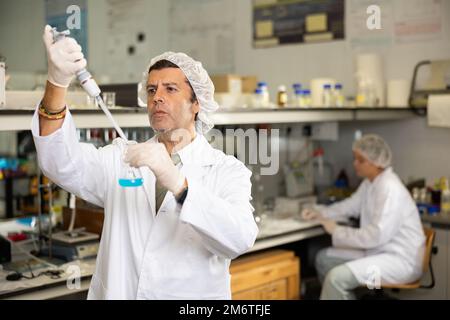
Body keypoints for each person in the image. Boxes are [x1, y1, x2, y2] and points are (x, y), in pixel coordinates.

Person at [32, 25, 258, 299]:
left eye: (170, 89)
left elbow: (239, 238)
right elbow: (59, 163)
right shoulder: (122, 158)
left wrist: (178, 184)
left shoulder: (226, 170)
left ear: (196, 103)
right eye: (151, 90)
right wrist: (57, 83)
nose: (157, 97)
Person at [302, 134, 425, 300]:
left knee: (336, 278)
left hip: (398, 260)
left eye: (360, 160)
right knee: (324, 259)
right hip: (378, 251)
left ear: (376, 162)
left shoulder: (390, 189)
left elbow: (375, 235)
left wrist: (337, 231)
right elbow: (350, 206)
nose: (355, 164)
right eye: (355, 159)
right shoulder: (371, 182)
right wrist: (321, 213)